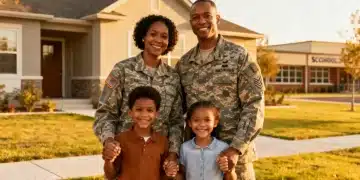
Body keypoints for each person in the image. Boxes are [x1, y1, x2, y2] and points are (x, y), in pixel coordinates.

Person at [175, 0, 265, 179]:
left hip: (236, 161)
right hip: (197, 160)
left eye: (207, 16)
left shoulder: (239, 56)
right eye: (195, 17)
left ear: (217, 18)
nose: (201, 21)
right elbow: (177, 113)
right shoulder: (184, 64)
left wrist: (236, 148)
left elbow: (255, 105)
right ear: (190, 22)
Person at [94, 14, 184, 173]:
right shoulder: (122, 70)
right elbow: (105, 112)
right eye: (153, 34)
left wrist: (173, 153)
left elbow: (176, 121)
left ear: (169, 42)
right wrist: (108, 141)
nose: (158, 40)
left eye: (164, 36)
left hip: (159, 159)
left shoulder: (173, 77)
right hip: (125, 156)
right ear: (143, 36)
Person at [104, 86, 175, 180]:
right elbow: (111, 176)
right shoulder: (120, 140)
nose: (144, 115)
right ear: (130, 112)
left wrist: (170, 171)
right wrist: (108, 160)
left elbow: (164, 176)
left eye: (149, 110)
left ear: (156, 114)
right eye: (139, 109)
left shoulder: (163, 141)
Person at [174, 101, 237, 180]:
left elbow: (230, 178)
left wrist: (230, 171)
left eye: (207, 120)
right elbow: (182, 175)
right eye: (196, 120)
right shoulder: (184, 148)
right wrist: (173, 171)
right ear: (189, 123)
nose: (202, 124)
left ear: (215, 123)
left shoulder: (223, 148)